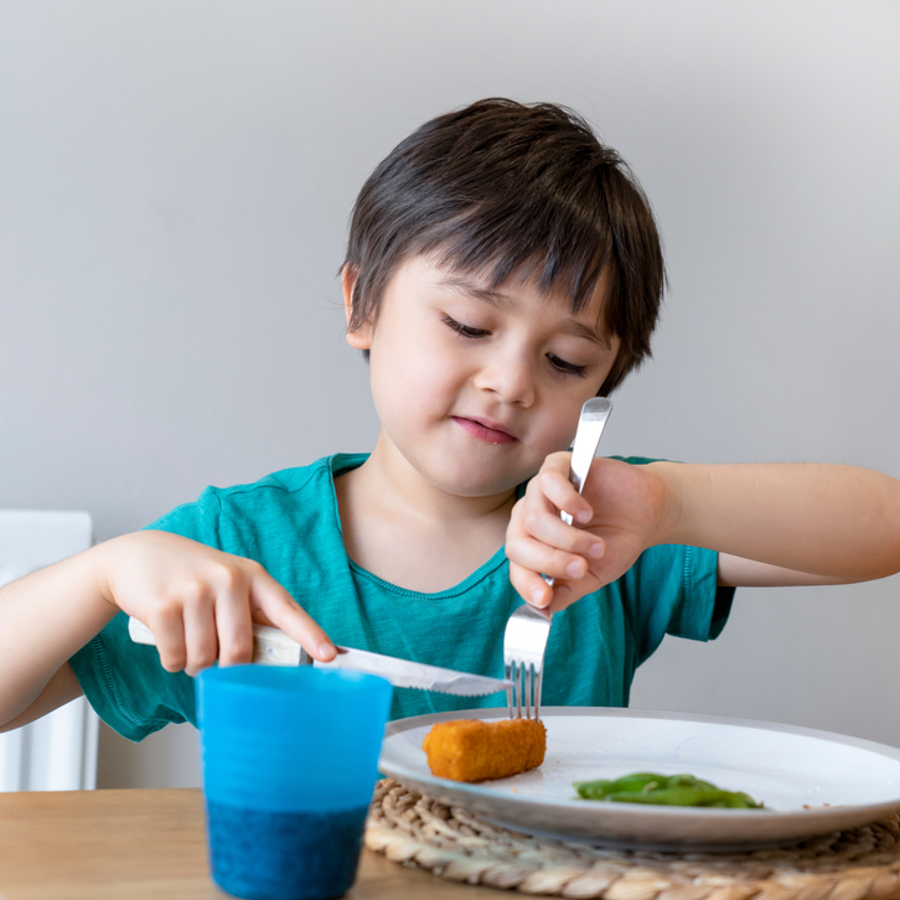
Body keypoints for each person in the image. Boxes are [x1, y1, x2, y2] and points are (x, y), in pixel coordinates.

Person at [2, 99, 899, 740]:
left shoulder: (605, 533)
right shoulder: (240, 544)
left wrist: (670, 505)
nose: (510, 381)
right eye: (469, 325)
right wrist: (105, 574)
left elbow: (885, 526)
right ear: (362, 306)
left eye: (566, 362)